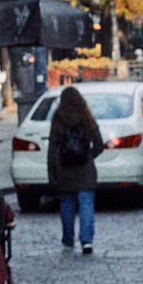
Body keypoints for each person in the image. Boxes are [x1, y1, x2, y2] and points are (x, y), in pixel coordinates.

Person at [48, 82, 101, 255]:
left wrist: (52, 173)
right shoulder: (87, 118)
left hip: (64, 170)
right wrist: (87, 157)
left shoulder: (58, 119)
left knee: (67, 205)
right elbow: (99, 145)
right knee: (86, 205)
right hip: (85, 171)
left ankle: (68, 241)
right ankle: (86, 241)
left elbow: (51, 149)